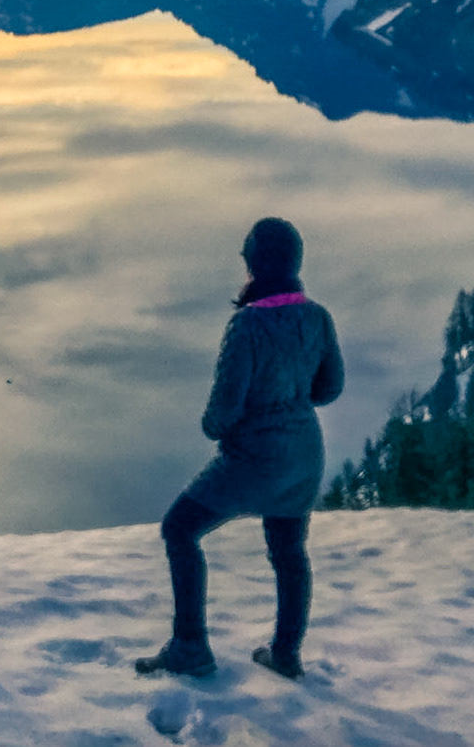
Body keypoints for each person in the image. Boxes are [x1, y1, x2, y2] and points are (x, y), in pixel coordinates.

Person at [135, 216, 345, 682]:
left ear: (253, 263)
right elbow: (330, 389)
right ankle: (286, 654)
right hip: (304, 456)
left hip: (254, 459)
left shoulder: (247, 325)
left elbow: (222, 414)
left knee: (179, 530)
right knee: (289, 551)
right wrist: (290, 398)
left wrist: (216, 424)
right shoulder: (318, 317)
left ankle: (190, 645)